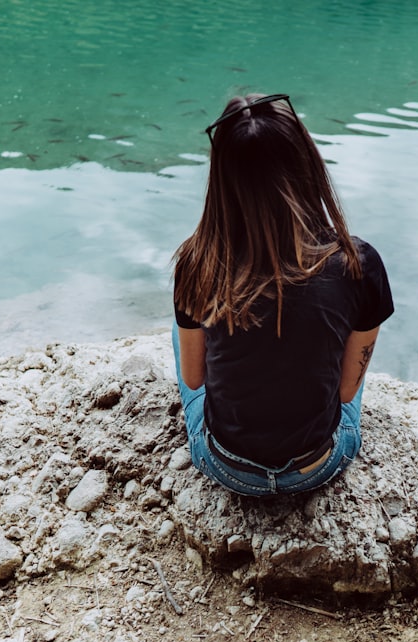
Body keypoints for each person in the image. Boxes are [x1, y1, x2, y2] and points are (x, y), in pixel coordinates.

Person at [171, 93, 393, 496]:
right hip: (316, 467)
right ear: (306, 163)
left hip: (227, 466)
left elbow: (194, 377)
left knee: (182, 326)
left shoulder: (196, 261)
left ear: (222, 175)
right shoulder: (359, 263)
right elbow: (346, 391)